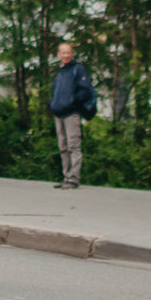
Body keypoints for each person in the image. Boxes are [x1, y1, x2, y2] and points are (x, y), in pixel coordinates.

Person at [49, 41, 96, 189]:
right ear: (58, 55)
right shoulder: (60, 72)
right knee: (63, 146)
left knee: (73, 146)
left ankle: (74, 179)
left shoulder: (78, 69)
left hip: (71, 113)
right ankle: (66, 177)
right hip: (58, 113)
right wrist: (54, 104)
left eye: (68, 52)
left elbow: (85, 90)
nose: (66, 55)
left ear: (72, 54)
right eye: (63, 52)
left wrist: (72, 101)